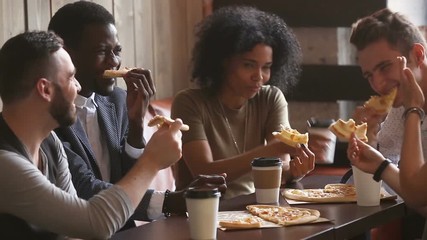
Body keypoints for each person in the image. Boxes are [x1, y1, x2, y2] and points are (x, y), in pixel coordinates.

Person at [47, 0, 226, 227]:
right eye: (102, 51)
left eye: (117, 51)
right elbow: (85, 188)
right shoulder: (48, 114)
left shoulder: (117, 100)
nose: (114, 61)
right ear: (64, 54)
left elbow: (129, 180)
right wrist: (171, 200)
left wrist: (136, 124)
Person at [0, 30, 183, 239]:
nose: (78, 87)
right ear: (45, 89)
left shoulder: (50, 142)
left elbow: (72, 233)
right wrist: (152, 162)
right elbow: (95, 224)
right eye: (70, 78)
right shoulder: (4, 164)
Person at [171, 5, 315, 199]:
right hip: (202, 211)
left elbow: (280, 168)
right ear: (223, 61)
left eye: (266, 67)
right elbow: (204, 174)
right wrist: (270, 150)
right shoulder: (189, 103)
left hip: (253, 209)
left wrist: (296, 171)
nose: (259, 76)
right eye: (249, 65)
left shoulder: (270, 98)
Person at [346, 8, 427, 239]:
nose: (379, 84)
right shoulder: (400, 107)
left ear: (418, 55)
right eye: (369, 75)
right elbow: (408, 191)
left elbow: (418, 194)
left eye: (385, 67)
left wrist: (414, 110)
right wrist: (377, 158)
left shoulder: (409, 105)